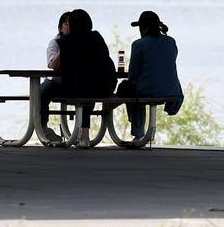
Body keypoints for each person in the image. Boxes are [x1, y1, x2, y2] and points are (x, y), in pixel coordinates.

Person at [47, 9, 117, 147]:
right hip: (105, 86)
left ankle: (83, 137)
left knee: (82, 89)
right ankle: (84, 137)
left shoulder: (66, 41)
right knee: (86, 88)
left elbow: (60, 66)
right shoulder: (96, 37)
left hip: (77, 89)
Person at [116, 10, 183, 140]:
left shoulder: (138, 44)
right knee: (135, 88)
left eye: (140, 27)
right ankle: (141, 135)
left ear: (145, 28)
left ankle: (138, 133)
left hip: (147, 90)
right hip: (172, 90)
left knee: (127, 89)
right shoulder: (171, 42)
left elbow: (133, 74)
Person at [37, 11, 71, 142]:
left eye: (72, 24)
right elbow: (52, 65)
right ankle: (43, 127)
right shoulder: (55, 43)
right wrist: (64, 47)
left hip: (74, 82)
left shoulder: (83, 42)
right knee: (40, 93)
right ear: (60, 27)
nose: (69, 26)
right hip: (56, 82)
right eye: (66, 24)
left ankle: (80, 131)